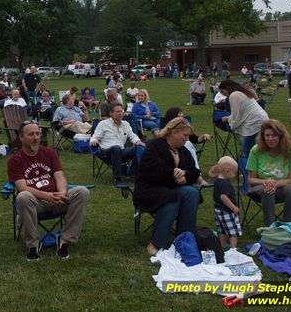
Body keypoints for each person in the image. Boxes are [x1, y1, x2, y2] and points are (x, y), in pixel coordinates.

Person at [7, 121, 90, 260]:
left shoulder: (49, 153)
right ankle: (33, 245)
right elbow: (22, 187)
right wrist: (47, 196)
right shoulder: (15, 160)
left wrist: (62, 193)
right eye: (31, 134)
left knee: (82, 191)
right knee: (23, 196)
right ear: (21, 138)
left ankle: (65, 241)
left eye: (37, 134)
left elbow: (59, 176)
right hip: (35, 203)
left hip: (58, 199)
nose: (35, 137)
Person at [134, 117, 203, 256]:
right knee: (171, 197)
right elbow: (150, 170)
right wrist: (172, 173)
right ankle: (156, 243)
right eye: (185, 135)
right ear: (173, 132)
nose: (187, 139)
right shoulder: (154, 146)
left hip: (171, 188)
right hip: (150, 189)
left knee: (192, 193)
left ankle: (185, 239)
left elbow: (195, 172)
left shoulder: (183, 150)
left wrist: (184, 174)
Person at [246, 119, 291, 227]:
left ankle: (288, 226)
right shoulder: (256, 150)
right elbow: (251, 180)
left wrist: (274, 184)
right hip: (258, 187)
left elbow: (290, 180)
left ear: (281, 136)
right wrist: (266, 182)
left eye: (274, 135)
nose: (270, 139)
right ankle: (269, 228)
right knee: (268, 190)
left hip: (281, 187)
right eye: (267, 135)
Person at [90, 103, 146, 181]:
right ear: (111, 113)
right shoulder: (103, 124)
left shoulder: (126, 124)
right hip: (107, 152)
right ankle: (118, 178)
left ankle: (132, 175)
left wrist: (138, 141)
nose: (120, 113)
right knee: (116, 148)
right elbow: (95, 136)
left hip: (121, 151)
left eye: (121, 111)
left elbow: (132, 135)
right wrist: (94, 141)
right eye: (117, 112)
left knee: (139, 148)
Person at [218, 79, 269, 157]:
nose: (223, 94)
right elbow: (241, 112)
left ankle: (253, 166)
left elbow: (236, 115)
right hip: (262, 119)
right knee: (257, 146)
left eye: (222, 91)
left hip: (255, 122)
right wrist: (229, 117)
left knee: (246, 148)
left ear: (228, 88)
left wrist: (232, 125)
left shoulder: (234, 95)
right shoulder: (242, 92)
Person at [209, 156, 241, 249]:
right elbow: (224, 197)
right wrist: (233, 208)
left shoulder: (217, 180)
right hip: (227, 210)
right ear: (227, 171)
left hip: (218, 210)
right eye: (234, 173)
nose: (234, 175)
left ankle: (222, 246)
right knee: (233, 231)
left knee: (221, 230)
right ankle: (233, 249)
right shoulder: (226, 183)